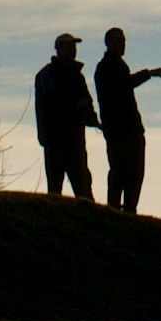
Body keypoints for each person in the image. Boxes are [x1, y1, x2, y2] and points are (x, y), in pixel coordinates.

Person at [94, 29, 161, 215]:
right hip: (118, 130)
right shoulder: (106, 67)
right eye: (118, 41)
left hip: (129, 129)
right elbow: (123, 85)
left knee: (134, 172)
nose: (122, 45)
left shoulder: (118, 65)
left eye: (123, 41)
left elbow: (125, 84)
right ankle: (115, 210)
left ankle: (129, 210)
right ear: (108, 43)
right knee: (121, 171)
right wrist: (148, 73)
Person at [32, 30, 98, 203]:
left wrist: (93, 119)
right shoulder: (46, 75)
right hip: (55, 139)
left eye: (73, 47)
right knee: (55, 189)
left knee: (83, 186)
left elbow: (87, 101)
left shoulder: (77, 76)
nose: (73, 50)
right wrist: (76, 107)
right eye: (68, 47)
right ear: (59, 49)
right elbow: (51, 104)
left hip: (75, 138)